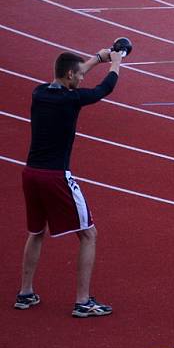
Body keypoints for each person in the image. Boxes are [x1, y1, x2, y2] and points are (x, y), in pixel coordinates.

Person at [16, 47, 124, 317]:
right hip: (55, 176)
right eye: (78, 76)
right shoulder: (71, 100)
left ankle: (25, 293)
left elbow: (75, 74)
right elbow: (104, 89)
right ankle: (83, 301)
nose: (82, 79)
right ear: (68, 76)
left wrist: (98, 59)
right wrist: (116, 62)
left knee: (36, 231)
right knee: (89, 234)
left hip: (31, 173)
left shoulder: (39, 93)